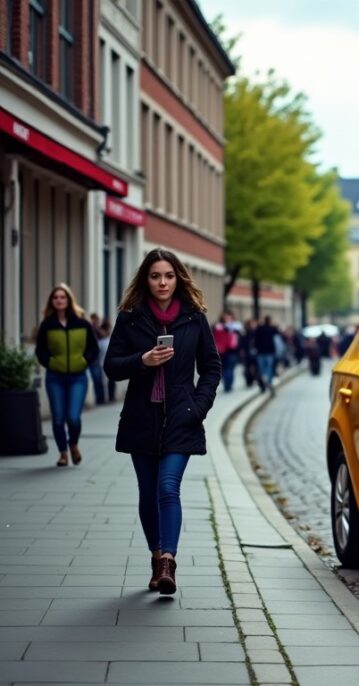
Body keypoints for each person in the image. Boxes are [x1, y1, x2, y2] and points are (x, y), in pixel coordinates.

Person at [104, 248, 221, 595]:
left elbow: (212, 368)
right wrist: (143, 360)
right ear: (146, 280)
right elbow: (111, 366)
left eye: (168, 275)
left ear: (177, 277)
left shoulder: (194, 317)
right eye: (155, 276)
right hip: (142, 417)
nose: (162, 282)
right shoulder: (130, 317)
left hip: (181, 418)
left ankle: (169, 561)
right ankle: (156, 557)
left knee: (168, 487)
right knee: (147, 492)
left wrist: (197, 408)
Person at [35, 285, 99, 467]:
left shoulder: (82, 323)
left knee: (73, 417)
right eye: (55, 297)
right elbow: (41, 351)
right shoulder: (47, 325)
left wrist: (84, 361)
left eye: (62, 297)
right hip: (55, 377)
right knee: (57, 418)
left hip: (78, 377)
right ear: (52, 301)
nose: (59, 300)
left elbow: (93, 349)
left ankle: (73, 445)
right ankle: (63, 453)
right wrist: (51, 363)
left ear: (69, 300)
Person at [213, 312, 240, 393]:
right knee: (224, 369)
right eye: (226, 318)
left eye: (229, 318)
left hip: (231, 351)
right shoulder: (218, 327)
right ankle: (227, 385)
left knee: (230, 368)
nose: (227, 319)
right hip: (222, 351)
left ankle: (229, 385)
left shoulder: (235, 327)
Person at [255, 316, 280, 394]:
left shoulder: (259, 328)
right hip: (269, 352)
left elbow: (255, 339)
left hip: (260, 352)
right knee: (269, 368)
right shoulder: (272, 328)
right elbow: (278, 336)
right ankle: (269, 382)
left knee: (262, 369)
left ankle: (263, 380)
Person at [86, 313, 107, 405]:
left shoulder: (97, 329)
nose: (95, 321)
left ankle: (101, 399)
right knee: (96, 379)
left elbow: (104, 334)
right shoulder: (89, 327)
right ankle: (99, 398)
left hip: (96, 358)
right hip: (91, 358)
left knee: (98, 379)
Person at [98, 320, 117, 403]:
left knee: (110, 381)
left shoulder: (107, 341)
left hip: (107, 364)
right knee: (104, 382)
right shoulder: (101, 342)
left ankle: (110, 397)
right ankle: (106, 397)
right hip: (103, 363)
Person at [240, 319, 260, 390]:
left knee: (255, 367)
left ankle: (255, 379)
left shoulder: (257, 332)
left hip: (255, 353)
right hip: (248, 353)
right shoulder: (245, 333)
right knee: (248, 367)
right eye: (252, 324)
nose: (253, 325)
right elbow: (242, 343)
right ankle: (249, 381)